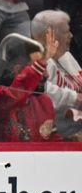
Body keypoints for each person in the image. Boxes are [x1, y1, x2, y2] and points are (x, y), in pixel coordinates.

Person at [31, 9, 82, 139]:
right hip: (52, 136)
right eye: (66, 32)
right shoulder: (36, 59)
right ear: (49, 34)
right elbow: (40, 91)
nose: (71, 35)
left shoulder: (67, 56)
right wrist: (75, 98)